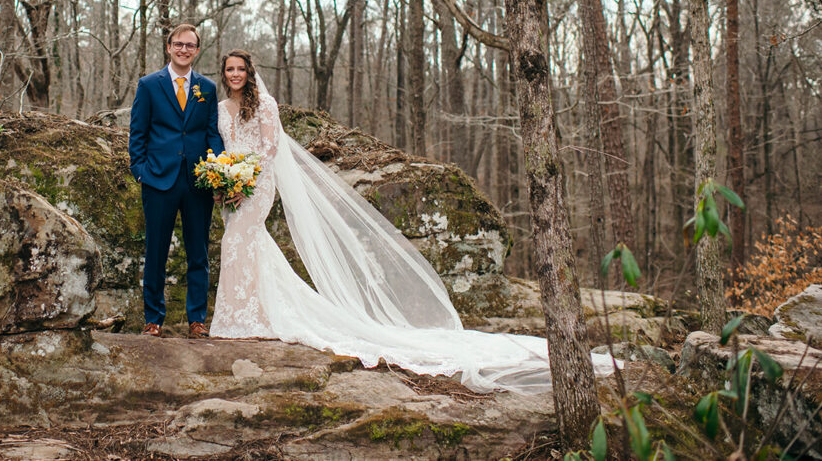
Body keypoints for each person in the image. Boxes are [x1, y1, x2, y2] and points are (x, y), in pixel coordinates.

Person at [210, 49, 617, 394]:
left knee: (240, 241)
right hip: (231, 184)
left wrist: (246, 179)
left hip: (257, 184)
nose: (235, 75)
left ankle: (249, 315)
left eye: (241, 69)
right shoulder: (221, 108)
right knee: (241, 243)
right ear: (223, 73)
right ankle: (245, 314)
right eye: (229, 69)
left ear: (250, 73)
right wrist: (226, 178)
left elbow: (269, 148)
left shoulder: (264, 105)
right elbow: (226, 146)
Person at [128, 24, 224, 339]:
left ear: (197, 50)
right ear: (169, 47)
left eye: (190, 46)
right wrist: (139, 169)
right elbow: (138, 132)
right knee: (156, 250)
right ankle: (153, 319)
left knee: (198, 252)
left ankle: (197, 320)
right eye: (179, 44)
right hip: (158, 179)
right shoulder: (149, 85)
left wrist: (218, 171)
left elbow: (212, 132)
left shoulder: (207, 88)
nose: (184, 50)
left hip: (198, 181)